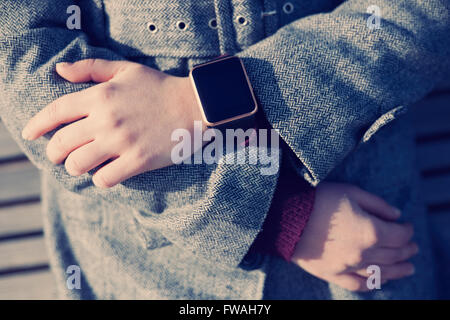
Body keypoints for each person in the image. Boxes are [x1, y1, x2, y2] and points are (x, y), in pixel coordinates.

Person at [0, 0, 448, 299]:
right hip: (142, 269)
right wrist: (278, 215)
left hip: (368, 243)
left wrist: (199, 102)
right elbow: (24, 67)